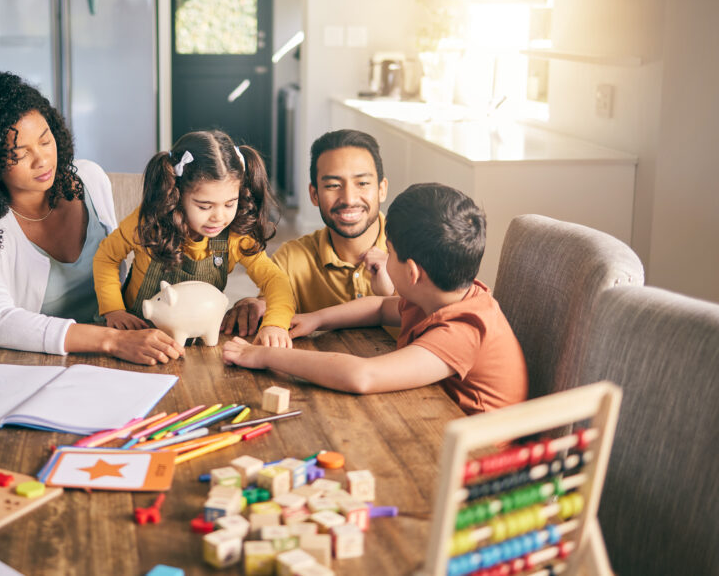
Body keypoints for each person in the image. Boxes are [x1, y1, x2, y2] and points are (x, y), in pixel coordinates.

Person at [0, 71, 182, 365]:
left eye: (45, 141)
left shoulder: (90, 179)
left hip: (123, 349)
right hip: (35, 361)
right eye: (19, 153)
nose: (42, 160)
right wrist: (112, 341)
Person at [222, 183, 528, 414]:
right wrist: (317, 318)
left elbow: (362, 376)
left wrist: (263, 356)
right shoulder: (445, 294)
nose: (384, 257)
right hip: (434, 417)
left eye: (389, 253)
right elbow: (380, 306)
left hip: (475, 463)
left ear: (412, 273)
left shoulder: (463, 330)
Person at [93, 130, 296, 348]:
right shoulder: (148, 222)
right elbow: (106, 257)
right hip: (138, 336)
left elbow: (275, 280)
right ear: (177, 195)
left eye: (230, 204)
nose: (219, 217)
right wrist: (114, 309)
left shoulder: (236, 236)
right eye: (204, 206)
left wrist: (275, 324)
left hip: (199, 341)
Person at [222, 129, 394, 337]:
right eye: (333, 185)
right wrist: (253, 306)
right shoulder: (291, 258)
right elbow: (270, 304)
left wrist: (395, 290)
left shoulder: (415, 252)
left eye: (362, 183)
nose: (349, 198)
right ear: (314, 194)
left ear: (382, 189)